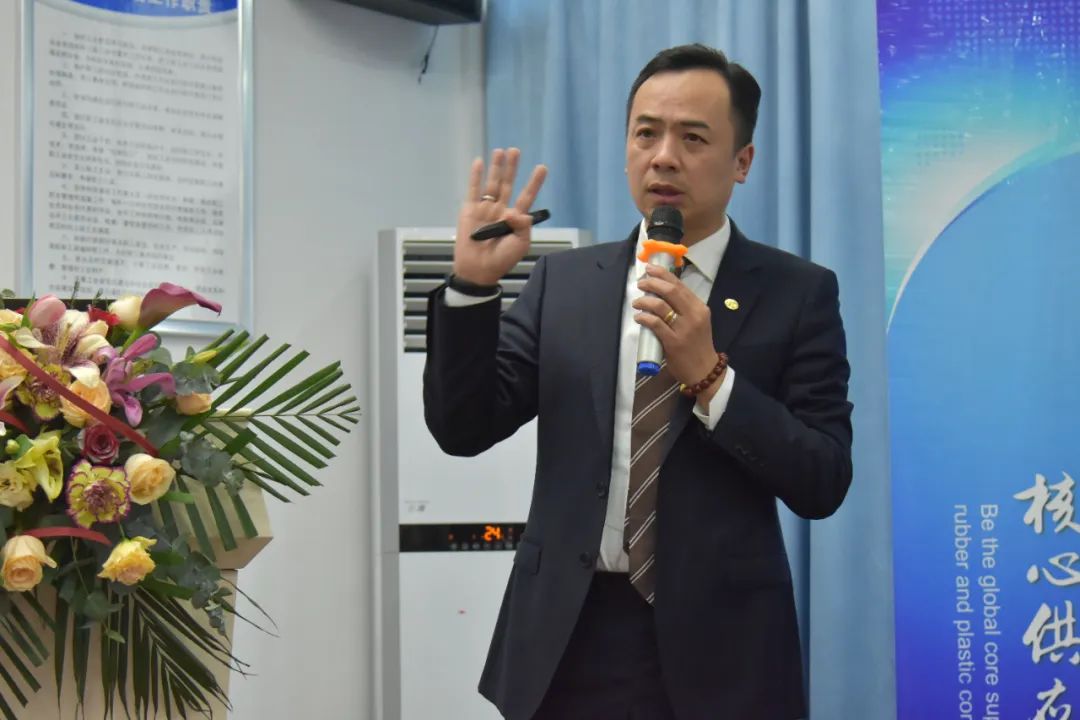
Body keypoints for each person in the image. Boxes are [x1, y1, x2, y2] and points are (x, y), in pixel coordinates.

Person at [423, 43, 853, 720]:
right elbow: (462, 427)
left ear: (742, 161)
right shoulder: (565, 283)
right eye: (646, 134)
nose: (664, 158)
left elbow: (823, 479)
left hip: (724, 653)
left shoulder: (796, 293)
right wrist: (473, 288)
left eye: (693, 138)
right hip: (566, 641)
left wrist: (712, 379)